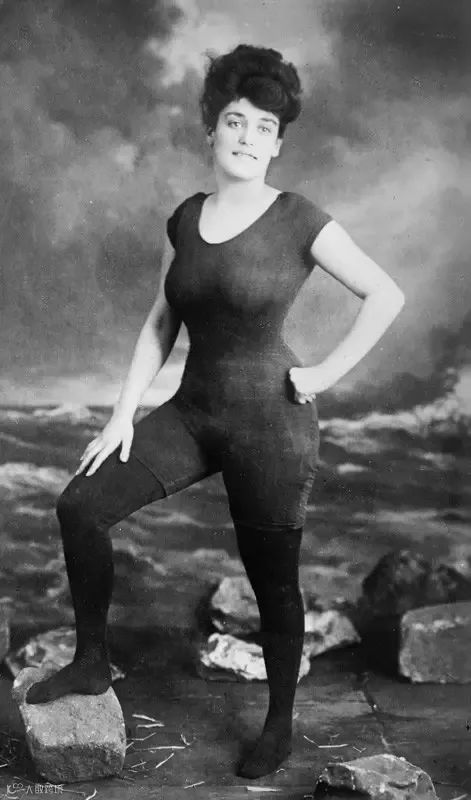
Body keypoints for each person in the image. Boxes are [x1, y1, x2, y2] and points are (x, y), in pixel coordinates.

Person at [25, 44, 405, 778]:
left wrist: (324, 373)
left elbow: (385, 293)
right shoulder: (186, 218)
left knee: (273, 584)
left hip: (272, 426)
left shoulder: (298, 217)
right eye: (235, 121)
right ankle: (92, 660)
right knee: (80, 507)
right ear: (211, 130)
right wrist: (122, 415)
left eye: (264, 127)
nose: (246, 137)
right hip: (192, 414)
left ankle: (280, 723)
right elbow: (160, 322)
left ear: (277, 143)